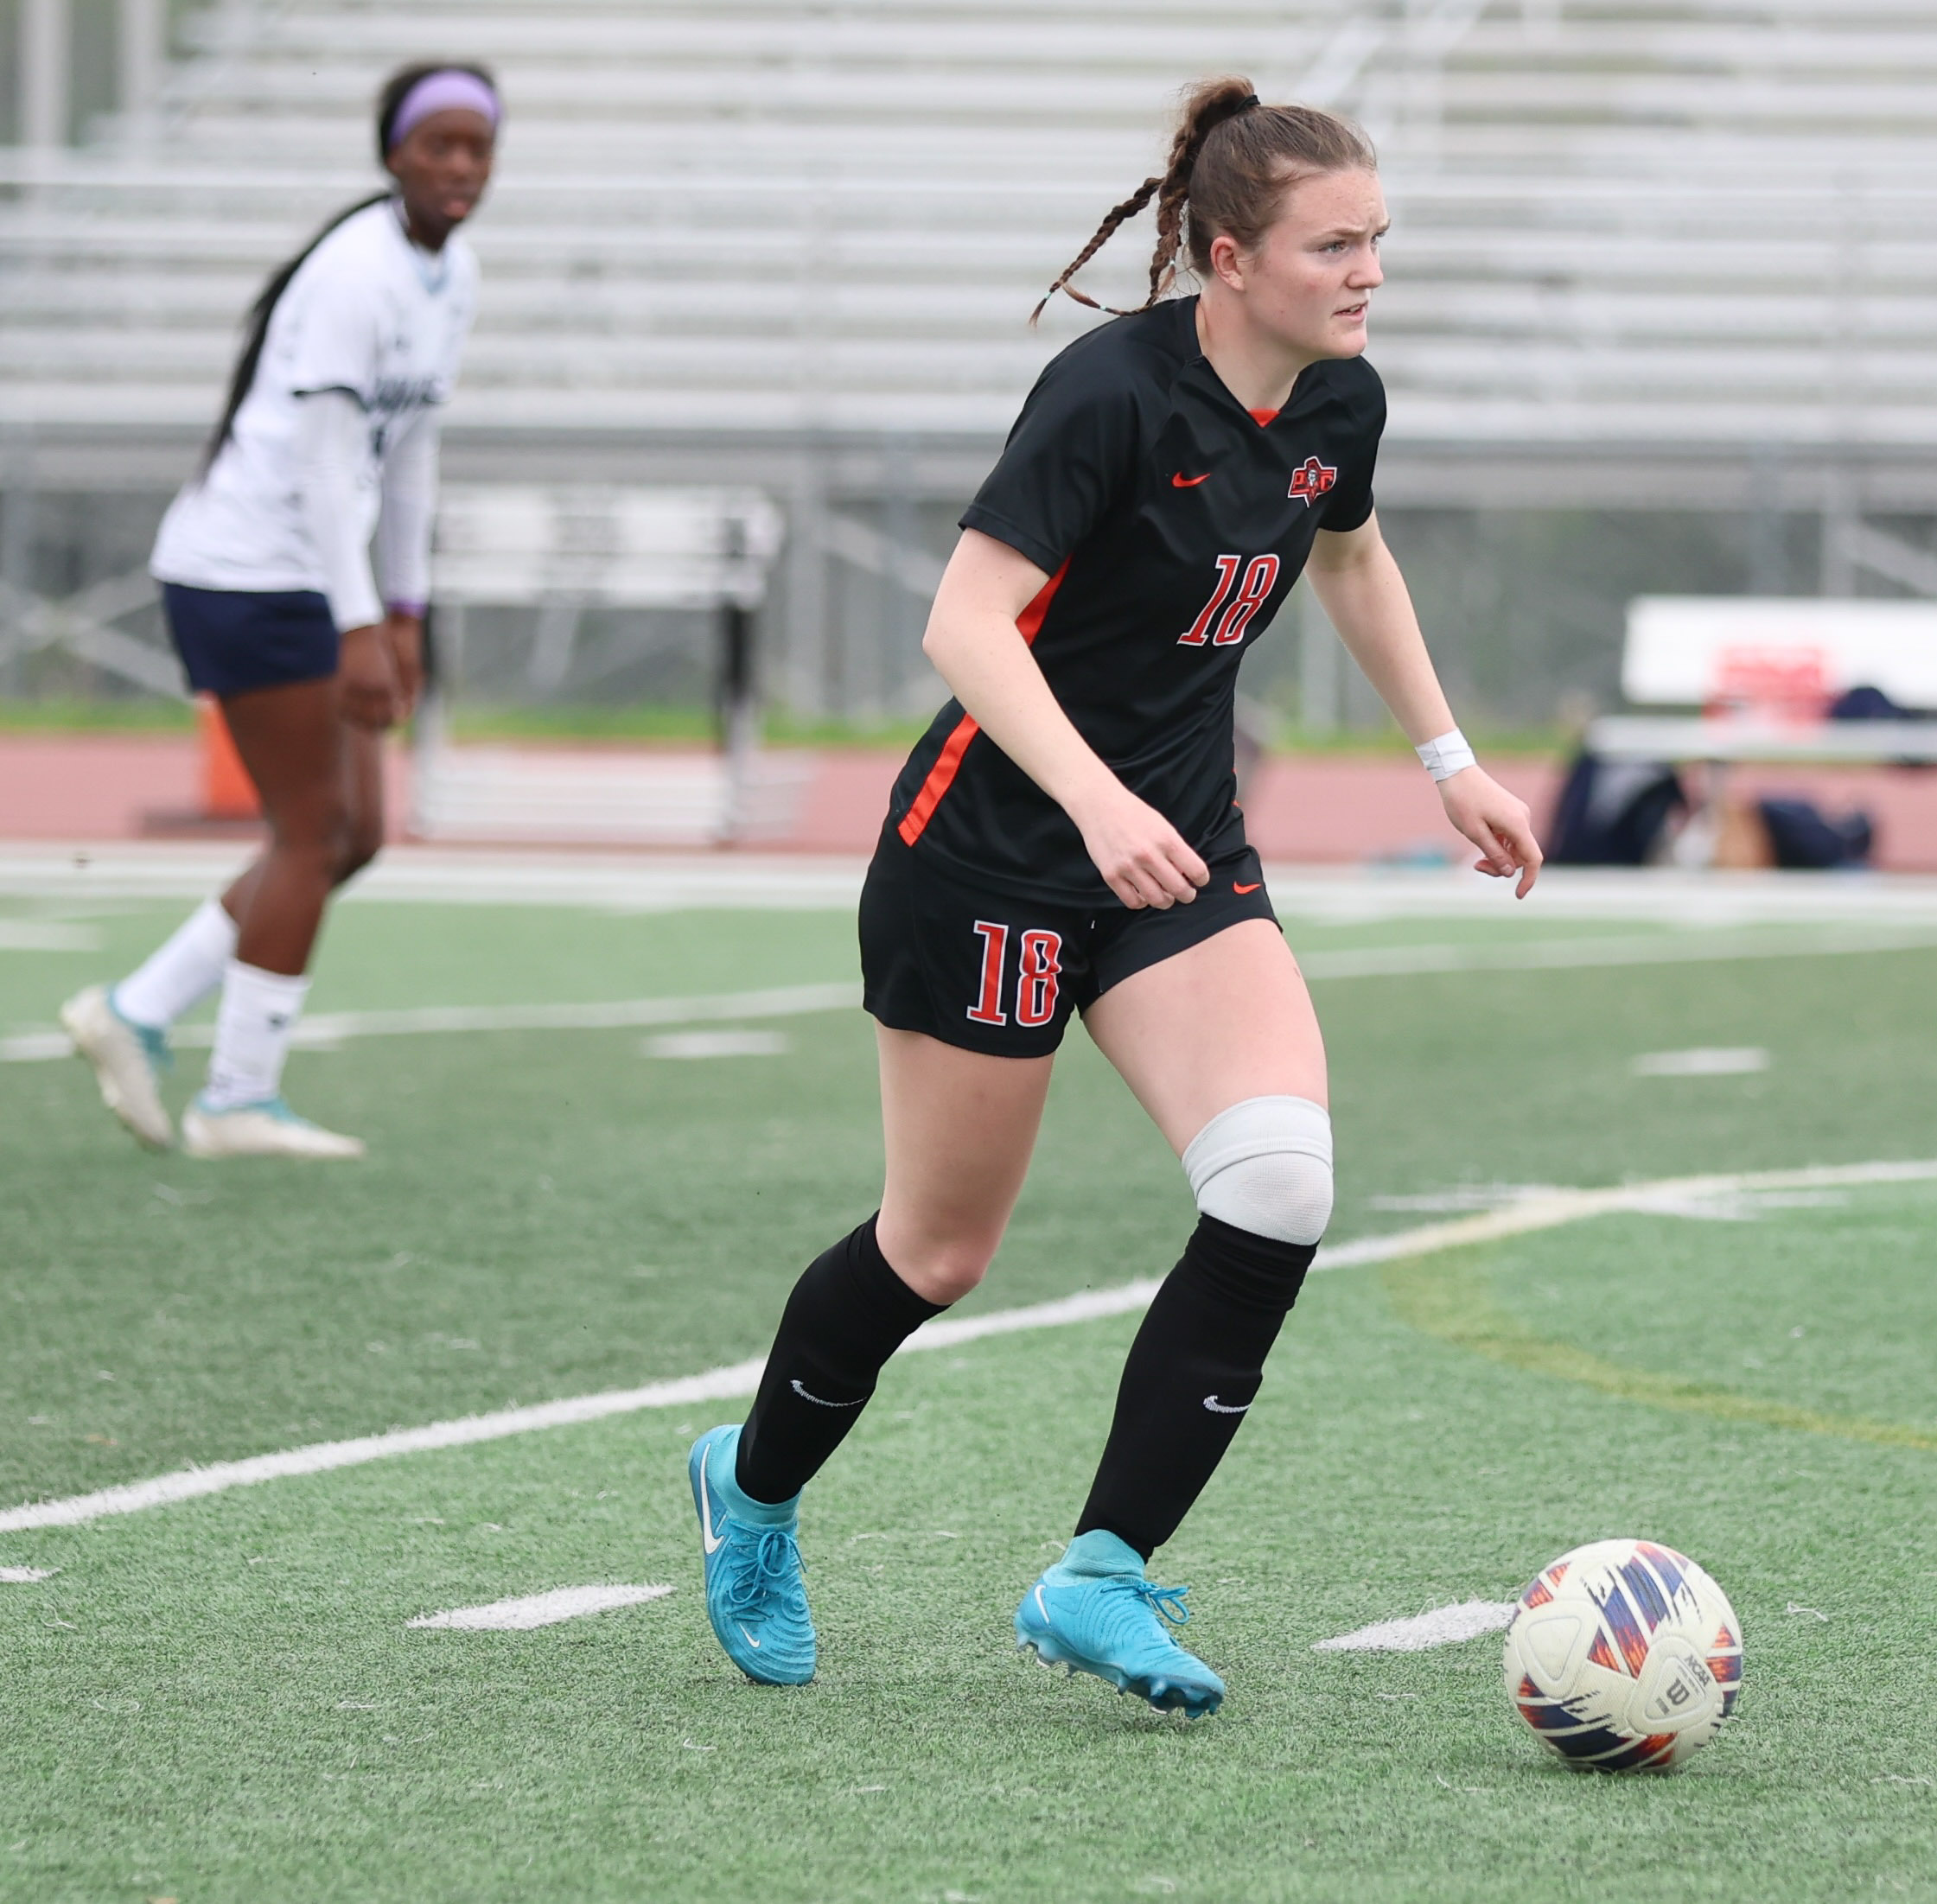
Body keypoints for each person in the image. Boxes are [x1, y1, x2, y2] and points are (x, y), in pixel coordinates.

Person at [688, 77, 1543, 1716]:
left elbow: (1349, 553)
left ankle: (1100, 1568)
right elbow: (963, 622)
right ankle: (754, 1482)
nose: (1368, 272)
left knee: (1277, 1184)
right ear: (1228, 258)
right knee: (939, 1249)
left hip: (1180, 858)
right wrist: (1093, 800)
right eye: (1333, 245)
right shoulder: (1108, 394)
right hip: (990, 858)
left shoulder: (1340, 398)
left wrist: (1448, 759)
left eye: (1377, 239)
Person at [61, 64, 496, 1160]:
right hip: (248, 575)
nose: (459, 166)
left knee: (355, 836)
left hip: (318, 580)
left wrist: (407, 610)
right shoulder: (355, 272)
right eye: (438, 144)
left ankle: (136, 1010)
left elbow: (409, 457)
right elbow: (321, 465)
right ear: (392, 155)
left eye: (477, 146)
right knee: (314, 831)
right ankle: (236, 1099)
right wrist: (359, 624)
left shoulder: (452, 274)